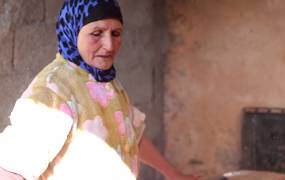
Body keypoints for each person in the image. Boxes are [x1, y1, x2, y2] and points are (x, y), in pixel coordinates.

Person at [0, 0, 199, 180]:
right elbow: (10, 170)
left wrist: (173, 174)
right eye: (97, 33)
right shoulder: (54, 90)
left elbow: (132, 134)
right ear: (73, 31)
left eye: (116, 33)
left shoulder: (104, 80)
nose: (109, 45)